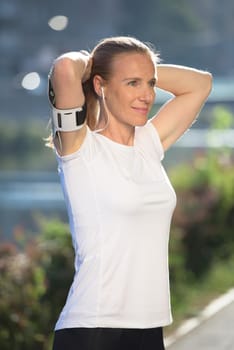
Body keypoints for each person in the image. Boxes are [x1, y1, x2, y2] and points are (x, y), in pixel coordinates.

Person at [48, 36, 212, 350]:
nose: (147, 95)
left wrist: (137, 68)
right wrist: (106, 63)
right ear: (100, 85)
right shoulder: (80, 149)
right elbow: (66, 68)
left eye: (149, 83)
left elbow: (200, 84)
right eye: (132, 83)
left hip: (148, 329)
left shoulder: (148, 144)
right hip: (93, 330)